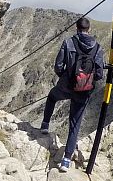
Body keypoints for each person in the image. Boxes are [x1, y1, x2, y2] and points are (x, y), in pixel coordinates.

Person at [41, 17, 105, 172]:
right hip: (84, 91)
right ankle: (66, 160)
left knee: (51, 97)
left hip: (66, 86)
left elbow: (58, 66)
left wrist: (66, 77)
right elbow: (99, 74)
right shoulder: (97, 48)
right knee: (75, 124)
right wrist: (86, 81)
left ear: (76, 28)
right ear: (89, 29)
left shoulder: (68, 43)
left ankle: (45, 126)